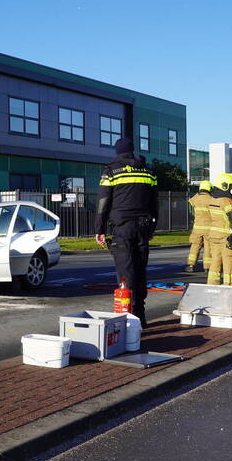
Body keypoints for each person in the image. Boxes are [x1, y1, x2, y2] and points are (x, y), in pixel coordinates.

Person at [95, 138, 158, 326]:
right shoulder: (148, 171)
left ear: (117, 151)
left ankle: (129, 320)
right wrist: (152, 227)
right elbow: (154, 203)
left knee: (126, 272)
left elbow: (103, 202)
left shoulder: (111, 171)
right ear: (132, 150)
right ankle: (140, 316)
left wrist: (100, 229)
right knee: (140, 271)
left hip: (122, 228)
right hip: (143, 227)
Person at [206, 174, 232, 286]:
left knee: (215, 261)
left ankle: (212, 284)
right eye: (230, 186)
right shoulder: (226, 200)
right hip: (226, 236)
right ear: (224, 185)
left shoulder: (212, 199)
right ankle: (229, 286)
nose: (231, 189)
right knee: (229, 262)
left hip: (214, 235)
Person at [186, 181, 213, 273]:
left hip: (197, 227)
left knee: (195, 246)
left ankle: (191, 265)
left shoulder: (194, 198)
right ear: (209, 188)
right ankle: (207, 267)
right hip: (209, 228)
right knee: (208, 248)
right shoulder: (211, 199)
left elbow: (191, 211)